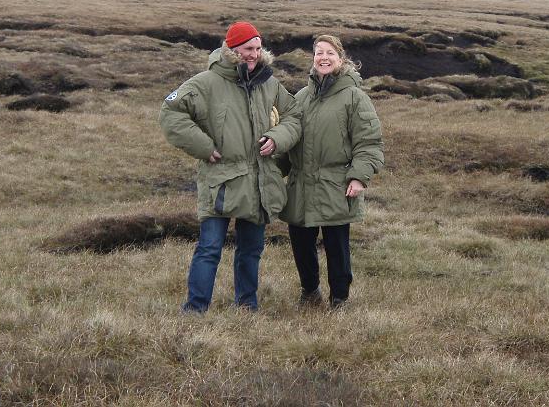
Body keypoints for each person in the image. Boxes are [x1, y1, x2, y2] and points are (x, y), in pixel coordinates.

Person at [159, 21, 301, 313]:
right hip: (220, 180)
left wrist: (277, 138)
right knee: (209, 249)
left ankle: (247, 305)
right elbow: (171, 112)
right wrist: (203, 146)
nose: (254, 54)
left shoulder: (268, 82)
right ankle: (195, 309)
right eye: (249, 49)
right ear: (232, 49)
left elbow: (294, 115)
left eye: (258, 48)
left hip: (259, 180)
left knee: (251, 250)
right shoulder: (206, 83)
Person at [280, 34, 384, 308]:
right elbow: (289, 140)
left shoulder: (354, 97)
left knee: (337, 247)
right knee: (301, 243)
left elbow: (369, 142)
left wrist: (359, 176)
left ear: (341, 59)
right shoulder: (301, 97)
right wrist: (270, 170)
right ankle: (310, 292)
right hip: (300, 184)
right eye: (318, 53)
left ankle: (340, 299)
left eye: (329, 53)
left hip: (336, 184)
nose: (323, 58)